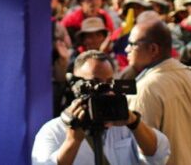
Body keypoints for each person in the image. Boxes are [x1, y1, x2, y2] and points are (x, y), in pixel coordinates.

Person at [31, 50, 171, 165]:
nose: (105, 91)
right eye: (95, 83)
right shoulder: (53, 131)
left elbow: (159, 155)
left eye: (109, 83)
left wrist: (134, 122)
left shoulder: (124, 126)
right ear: (76, 87)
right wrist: (72, 141)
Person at [127, 16, 191, 164]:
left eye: (132, 44)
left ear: (153, 49)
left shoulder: (146, 88)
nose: (126, 49)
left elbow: (143, 151)